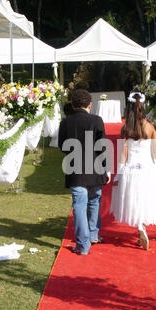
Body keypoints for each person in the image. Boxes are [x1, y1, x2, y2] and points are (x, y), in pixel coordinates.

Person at [110, 91, 156, 250]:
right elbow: (155, 153)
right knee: (143, 198)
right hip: (147, 168)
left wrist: (119, 174)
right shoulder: (150, 126)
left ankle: (140, 227)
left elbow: (123, 154)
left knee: (133, 199)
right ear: (143, 107)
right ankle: (141, 227)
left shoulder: (125, 128)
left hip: (131, 169)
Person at [58, 89, 111, 255]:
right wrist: (106, 168)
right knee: (94, 202)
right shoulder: (97, 120)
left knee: (80, 207)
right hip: (95, 169)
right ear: (90, 104)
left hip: (75, 170)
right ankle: (93, 235)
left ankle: (83, 245)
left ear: (73, 105)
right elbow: (102, 146)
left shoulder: (65, 122)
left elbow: (62, 145)